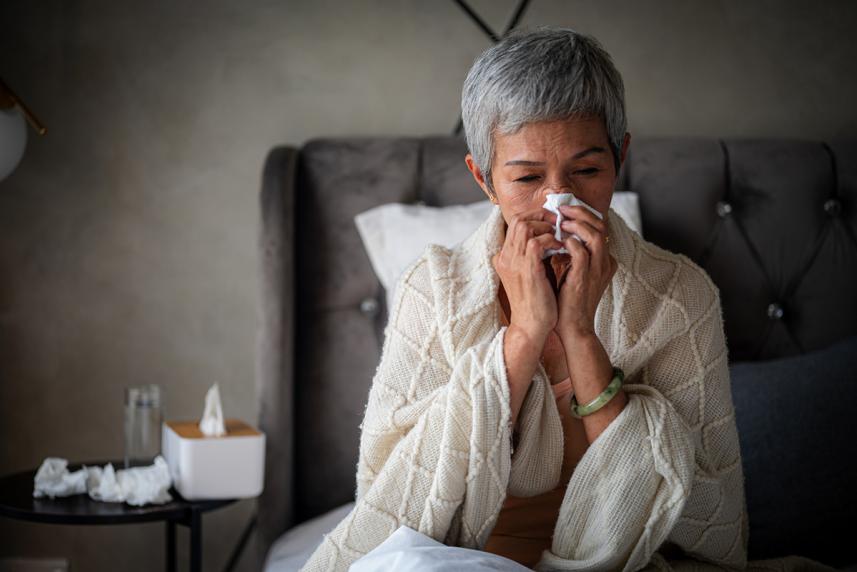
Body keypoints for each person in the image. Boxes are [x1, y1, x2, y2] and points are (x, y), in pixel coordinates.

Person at [300, 27, 828, 572]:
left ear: (620, 157)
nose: (559, 201)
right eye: (527, 177)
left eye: (587, 171)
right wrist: (524, 335)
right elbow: (389, 496)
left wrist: (579, 334)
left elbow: (704, 516)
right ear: (484, 178)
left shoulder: (679, 295)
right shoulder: (433, 288)